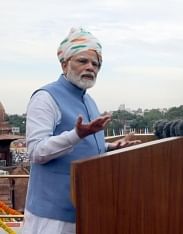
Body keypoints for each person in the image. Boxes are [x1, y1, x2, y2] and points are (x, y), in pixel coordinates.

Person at [22, 27, 140, 234]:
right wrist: (77, 135)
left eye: (96, 64)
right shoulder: (45, 97)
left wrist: (110, 147)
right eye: (83, 61)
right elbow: (36, 152)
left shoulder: (89, 100)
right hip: (53, 217)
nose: (90, 68)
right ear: (64, 63)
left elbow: (82, 146)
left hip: (87, 210)